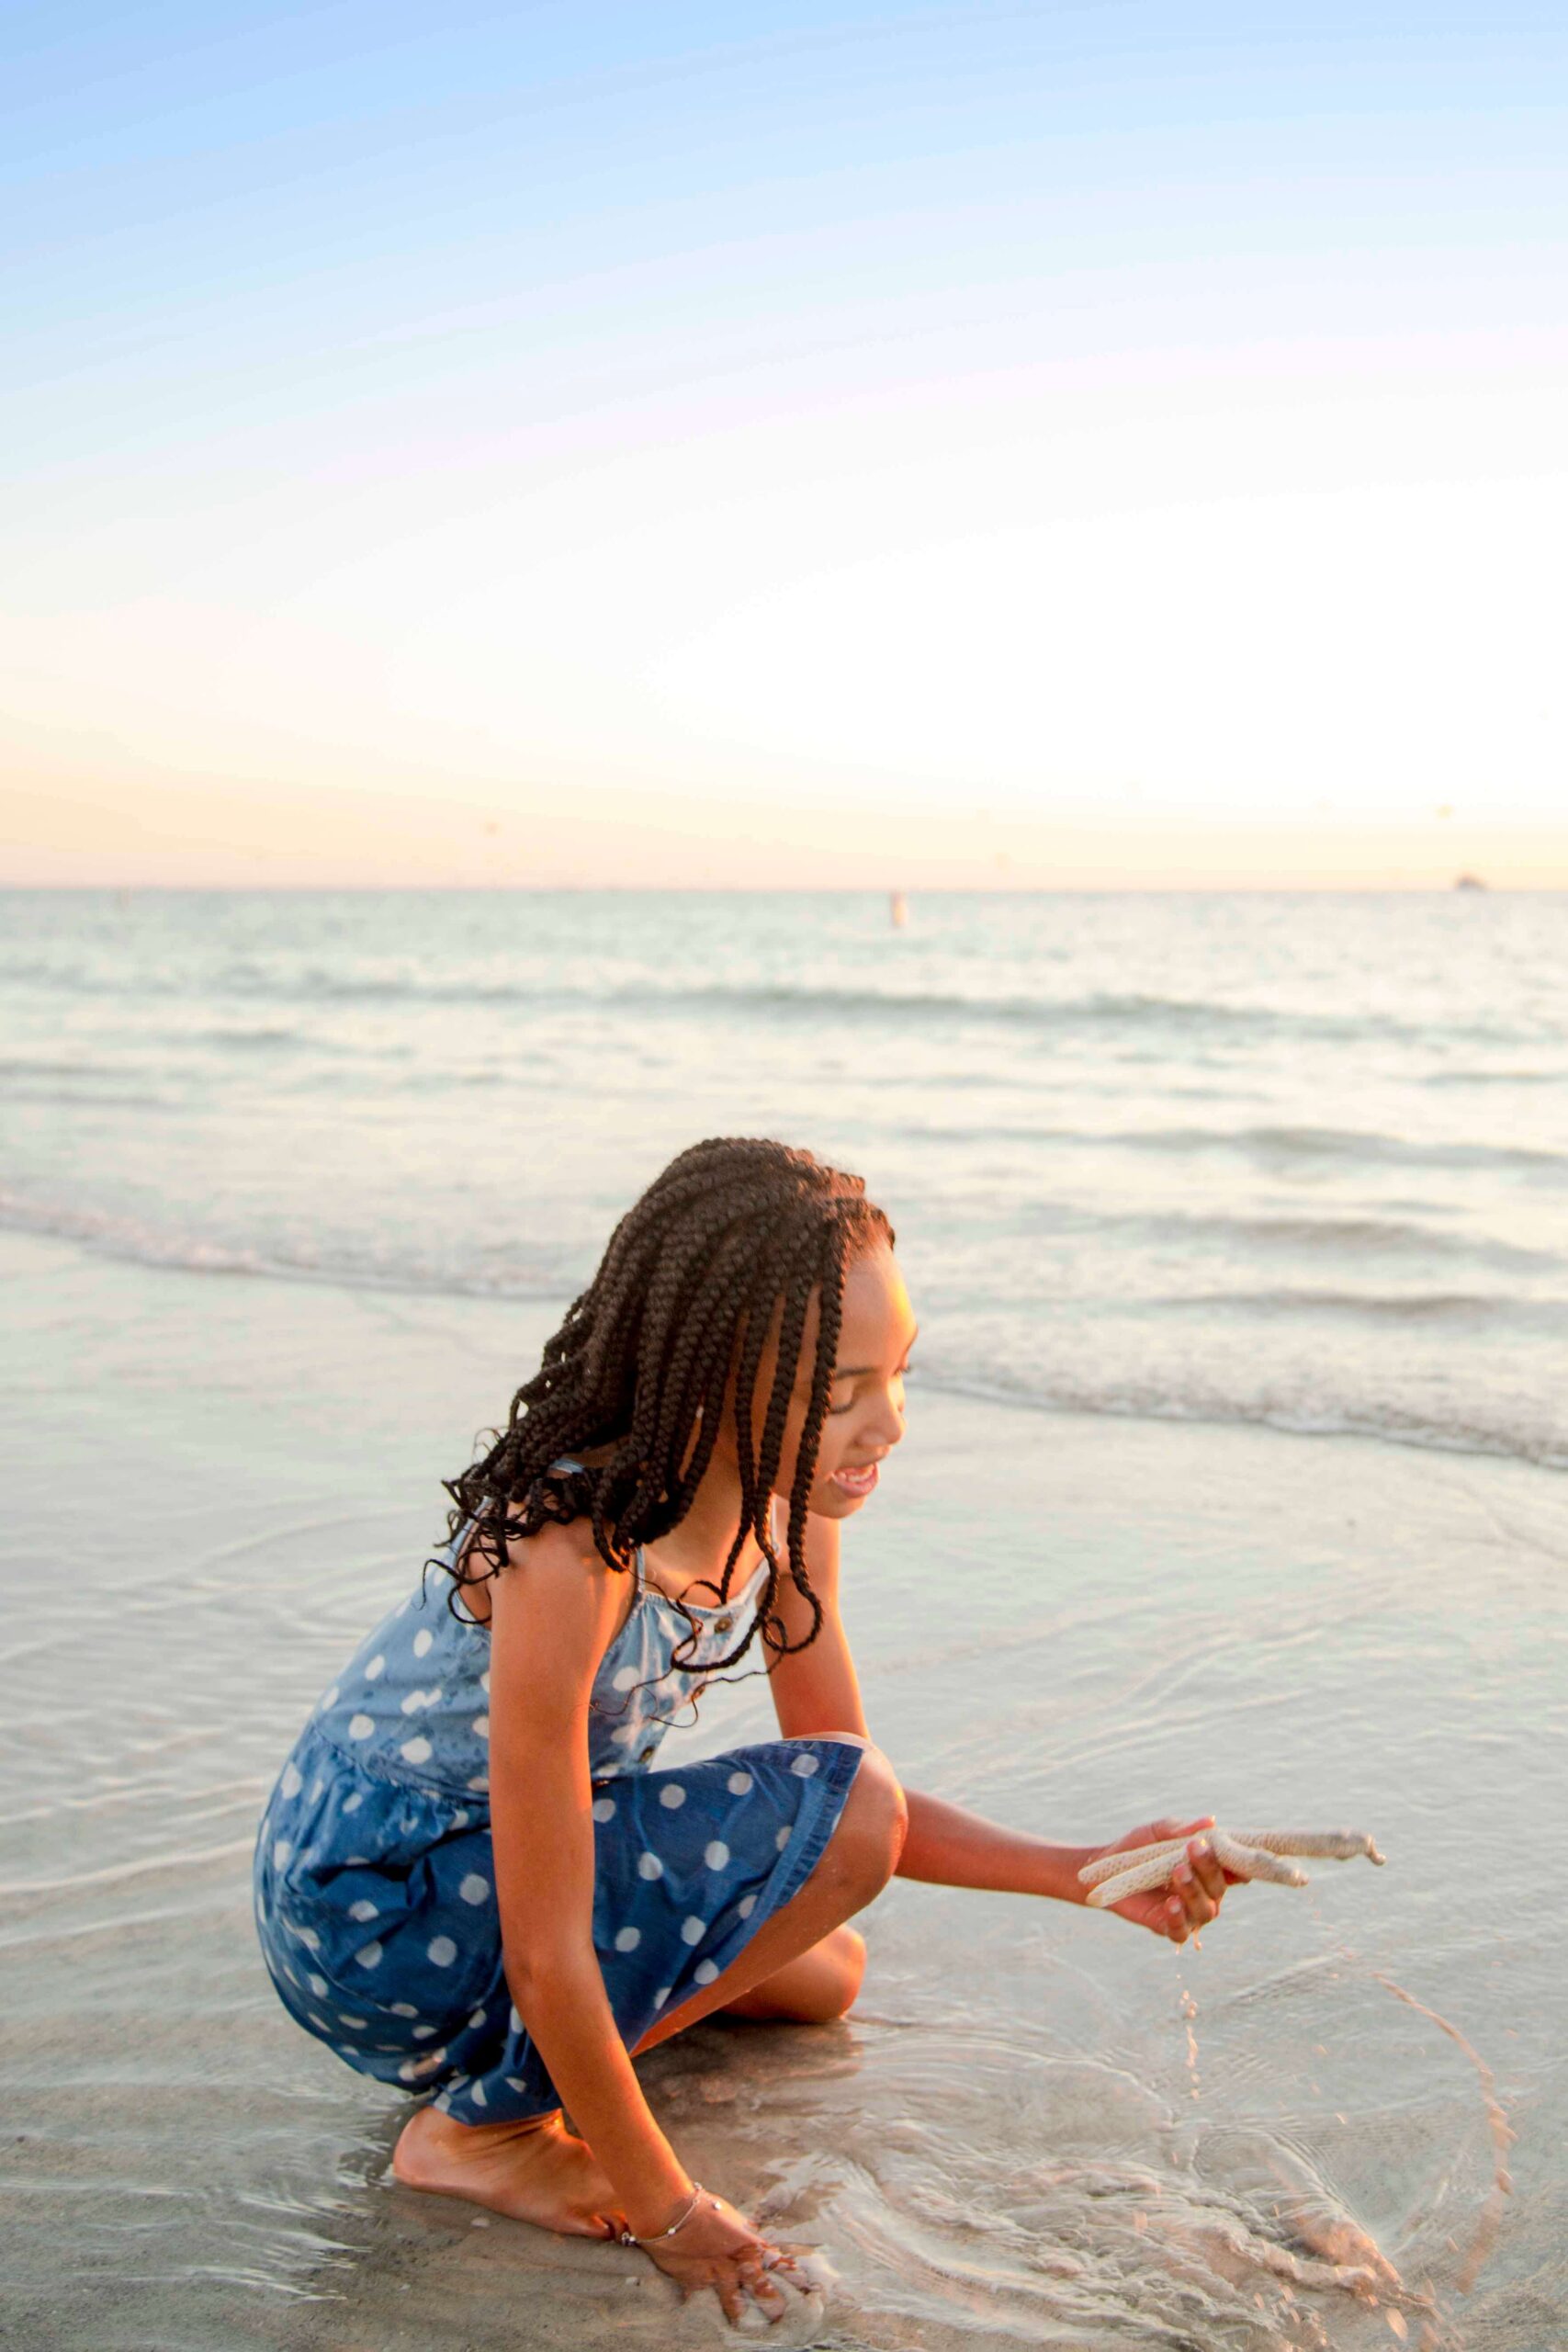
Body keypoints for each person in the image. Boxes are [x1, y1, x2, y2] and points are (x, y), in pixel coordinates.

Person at [253, 1136, 1232, 2328]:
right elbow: (553, 1945)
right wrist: (663, 2205)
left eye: (902, 1373)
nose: (892, 1425)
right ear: (711, 1378)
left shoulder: (788, 1506)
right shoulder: (578, 1548)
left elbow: (842, 1806)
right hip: (371, 1906)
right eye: (842, 1394)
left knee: (826, 1975)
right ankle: (484, 2129)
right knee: (795, 1893)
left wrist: (1085, 1873)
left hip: (493, 1884)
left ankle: (534, 2080)